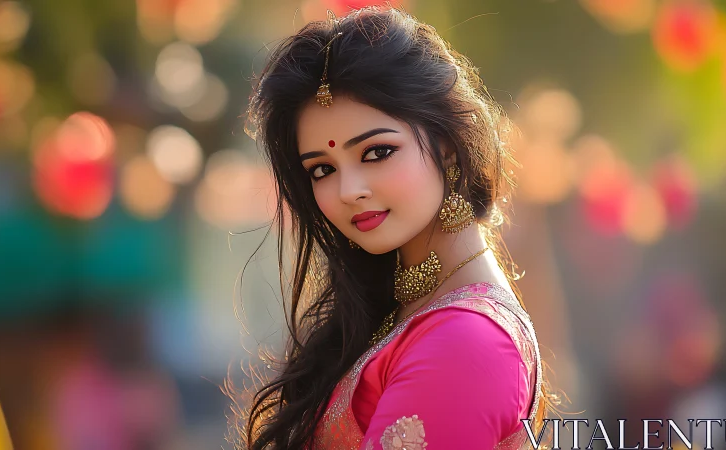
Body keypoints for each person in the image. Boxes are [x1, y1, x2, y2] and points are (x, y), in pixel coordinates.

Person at [238, 6, 555, 449]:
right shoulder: (406, 310)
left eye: (376, 152)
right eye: (322, 170)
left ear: (446, 144)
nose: (348, 190)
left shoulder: (465, 342)